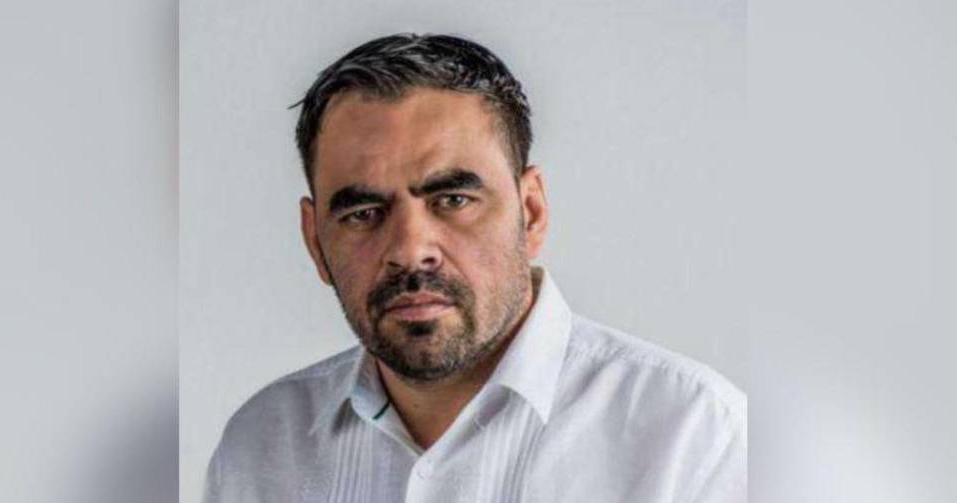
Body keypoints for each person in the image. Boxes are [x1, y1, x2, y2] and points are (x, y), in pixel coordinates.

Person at [204, 33, 746, 503]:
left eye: (453, 200)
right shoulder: (260, 447)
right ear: (314, 241)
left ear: (531, 211)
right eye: (363, 213)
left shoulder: (693, 435)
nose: (410, 250)